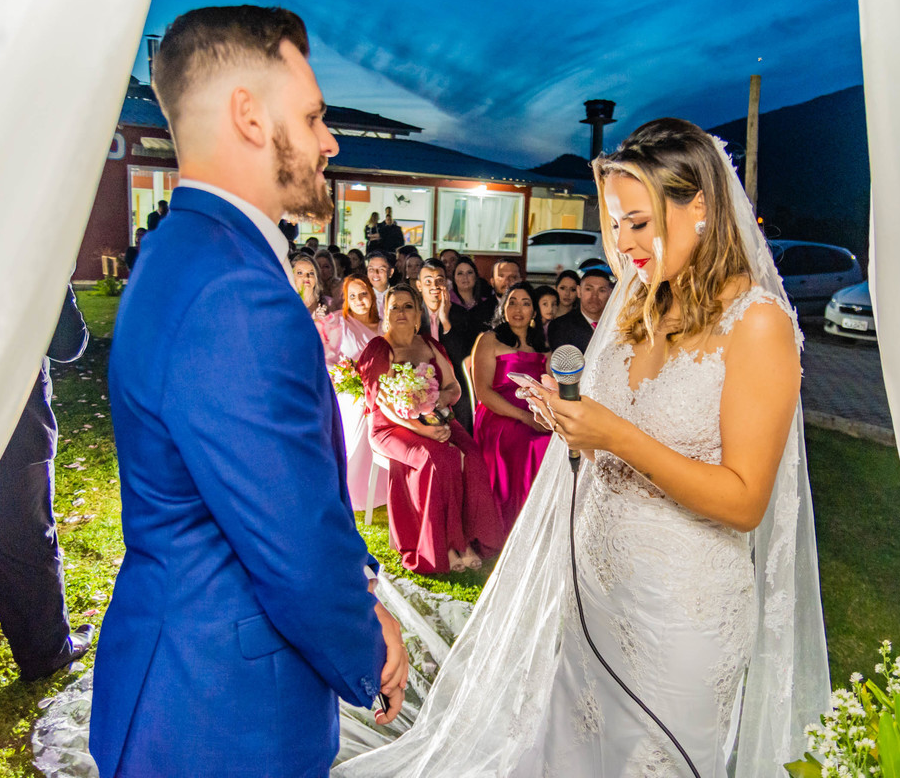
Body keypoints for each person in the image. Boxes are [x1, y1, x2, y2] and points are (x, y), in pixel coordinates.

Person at [334, 118, 828, 778]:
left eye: (639, 223)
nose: (623, 246)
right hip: (591, 588)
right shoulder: (635, 305)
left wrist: (612, 434)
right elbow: (606, 435)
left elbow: (743, 500)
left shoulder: (756, 323)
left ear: (701, 207)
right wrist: (568, 421)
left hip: (682, 608)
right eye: (616, 225)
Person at [91, 6, 407, 778]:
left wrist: (361, 578)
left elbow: (276, 485)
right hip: (219, 720)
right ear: (248, 116)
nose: (330, 140)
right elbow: (291, 538)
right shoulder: (235, 288)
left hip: (186, 681)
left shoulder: (183, 251)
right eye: (313, 115)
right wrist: (369, 643)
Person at [0, 281, 94, 682]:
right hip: (6, 425)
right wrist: (59, 278)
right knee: (26, 545)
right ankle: (47, 651)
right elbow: (67, 343)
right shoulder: (29, 253)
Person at [358, 286, 504, 574]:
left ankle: (470, 538)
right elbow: (384, 404)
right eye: (395, 307)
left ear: (418, 314)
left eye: (407, 306)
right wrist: (421, 429)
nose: (401, 312)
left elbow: (454, 387)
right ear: (386, 314)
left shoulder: (430, 344)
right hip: (391, 427)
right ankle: (446, 546)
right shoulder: (379, 348)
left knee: (473, 455)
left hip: (436, 418)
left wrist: (438, 402)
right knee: (438, 459)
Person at [471, 283, 551, 531]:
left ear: (534, 311)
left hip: (536, 411)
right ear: (503, 308)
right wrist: (525, 417)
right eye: (512, 302)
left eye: (526, 303)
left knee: (554, 442)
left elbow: (550, 390)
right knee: (529, 443)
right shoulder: (489, 339)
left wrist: (545, 416)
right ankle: (513, 525)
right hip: (499, 413)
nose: (518, 309)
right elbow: (483, 391)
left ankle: (543, 523)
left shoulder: (543, 347)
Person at [319, 275, 387, 512]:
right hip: (351, 395)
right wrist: (344, 376)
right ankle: (348, 488)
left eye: (363, 294)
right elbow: (324, 355)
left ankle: (379, 490)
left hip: (381, 395)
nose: (359, 300)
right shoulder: (338, 322)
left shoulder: (384, 326)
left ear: (372, 295)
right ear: (346, 299)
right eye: (353, 296)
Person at [417, 258, 477, 433]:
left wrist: (445, 320)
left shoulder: (460, 314)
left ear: (447, 283)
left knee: (464, 403)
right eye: (428, 281)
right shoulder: (413, 314)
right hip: (421, 382)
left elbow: (462, 357)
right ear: (419, 285)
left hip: (455, 381)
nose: (434, 286)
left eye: (439, 281)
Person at [547, 262, 614, 353]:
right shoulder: (561, 326)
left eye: (601, 290)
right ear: (579, 291)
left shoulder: (616, 325)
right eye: (588, 289)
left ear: (610, 294)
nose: (594, 296)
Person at [448, 255, 496, 335]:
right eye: (460, 273)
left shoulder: (487, 303)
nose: (465, 277)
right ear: (454, 278)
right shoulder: (446, 303)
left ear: (476, 276)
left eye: (469, 273)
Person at [366, 251, 393, 319]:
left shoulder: (398, 296)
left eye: (381, 269)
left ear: (391, 272)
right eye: (371, 269)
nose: (375, 273)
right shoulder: (362, 297)